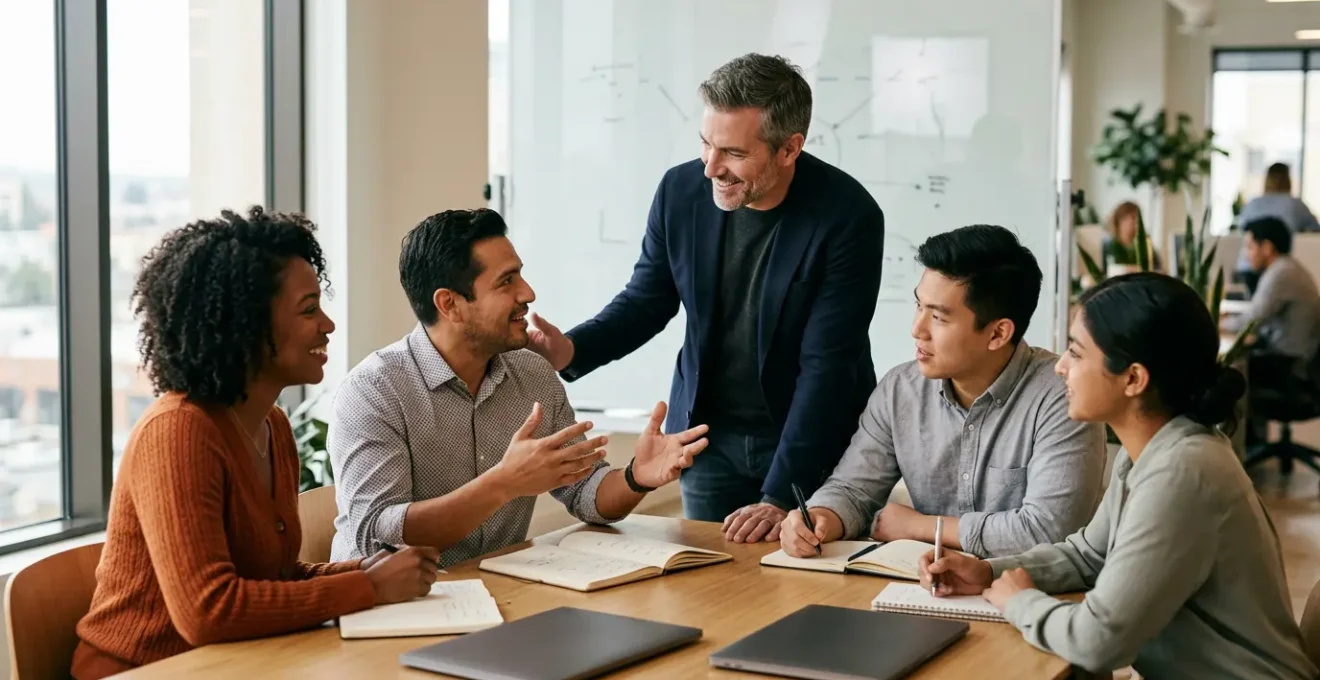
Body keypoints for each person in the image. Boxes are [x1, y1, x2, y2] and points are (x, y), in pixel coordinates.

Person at [525, 53, 885, 543]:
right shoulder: (680, 191)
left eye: (734, 152)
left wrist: (780, 496)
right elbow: (646, 299)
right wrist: (571, 349)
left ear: (789, 148)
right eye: (705, 144)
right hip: (707, 440)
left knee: (805, 590)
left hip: (812, 441)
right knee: (709, 584)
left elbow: (827, 364)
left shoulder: (848, 215)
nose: (712, 167)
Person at [72, 208, 439, 679]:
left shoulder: (273, 427)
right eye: (309, 310)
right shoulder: (177, 431)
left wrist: (365, 571)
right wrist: (366, 588)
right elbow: (209, 610)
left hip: (233, 665)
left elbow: (270, 581)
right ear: (245, 326)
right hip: (143, 671)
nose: (327, 324)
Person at [918, 272, 1318, 680]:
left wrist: (1020, 603)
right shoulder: (1151, 451)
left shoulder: (1182, 473)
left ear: (1133, 378)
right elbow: (1089, 555)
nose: (1060, 367)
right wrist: (988, 571)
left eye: (1075, 353)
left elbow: (1098, 642)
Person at [328, 209, 709, 565]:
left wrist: (636, 476)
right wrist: (503, 483)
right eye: (506, 281)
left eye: (520, 276)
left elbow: (585, 491)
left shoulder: (533, 374)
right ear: (450, 304)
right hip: (385, 612)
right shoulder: (374, 391)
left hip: (494, 595)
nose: (527, 294)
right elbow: (375, 536)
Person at [779, 225, 1106, 559]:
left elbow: (1049, 530)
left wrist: (922, 527)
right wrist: (821, 518)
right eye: (919, 306)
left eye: (937, 316)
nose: (917, 330)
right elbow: (852, 489)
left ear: (998, 333)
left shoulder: (1062, 395)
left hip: (1028, 597)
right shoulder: (899, 390)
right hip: (921, 589)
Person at [1236, 163, 1319, 291]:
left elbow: (1243, 230)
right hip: (1276, 269)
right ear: (1288, 180)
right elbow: (1315, 229)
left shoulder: (1253, 203)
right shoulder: (1295, 205)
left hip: (1246, 268)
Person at [1100, 201, 1160, 272]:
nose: (1135, 223)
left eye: (1137, 218)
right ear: (1119, 221)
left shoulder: (1145, 242)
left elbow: (1156, 268)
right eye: (1132, 218)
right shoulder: (1108, 245)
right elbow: (1105, 271)